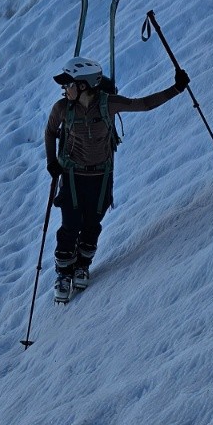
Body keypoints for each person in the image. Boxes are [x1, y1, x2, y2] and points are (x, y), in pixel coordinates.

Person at [44, 55, 189, 301]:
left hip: (100, 178)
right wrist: (52, 163)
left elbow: (143, 105)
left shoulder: (107, 104)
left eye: (68, 84)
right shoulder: (61, 109)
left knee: (92, 225)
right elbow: (49, 133)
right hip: (71, 177)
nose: (64, 89)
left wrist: (176, 89)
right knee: (70, 225)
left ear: (83, 86)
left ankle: (82, 265)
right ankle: (63, 272)